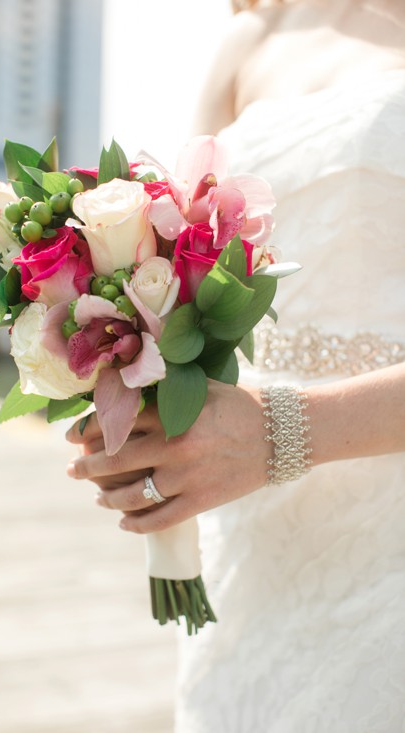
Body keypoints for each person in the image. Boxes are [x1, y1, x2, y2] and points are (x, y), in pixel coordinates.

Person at [66, 1, 405, 731]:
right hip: (251, 543)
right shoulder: (254, 36)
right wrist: (147, 401)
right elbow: (180, 249)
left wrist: (282, 431)